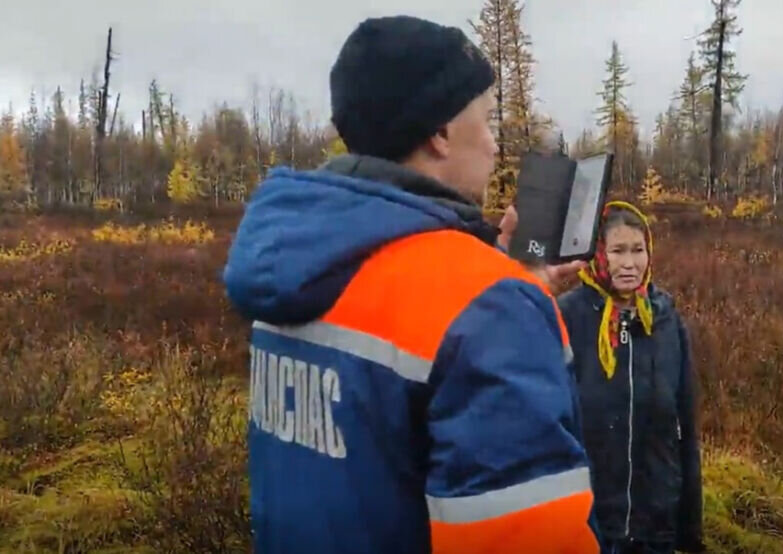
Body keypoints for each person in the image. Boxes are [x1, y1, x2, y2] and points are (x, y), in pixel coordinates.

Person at [222, 15, 597, 554]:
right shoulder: (488, 310)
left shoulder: (295, 266)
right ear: (440, 133)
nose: (494, 146)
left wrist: (503, 280)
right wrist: (503, 299)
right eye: (487, 122)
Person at [558, 201, 705, 554]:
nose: (629, 263)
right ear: (598, 255)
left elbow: (685, 426)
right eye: (617, 251)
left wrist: (690, 526)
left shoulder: (666, 321)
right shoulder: (569, 316)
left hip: (655, 521)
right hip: (588, 522)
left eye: (637, 250)